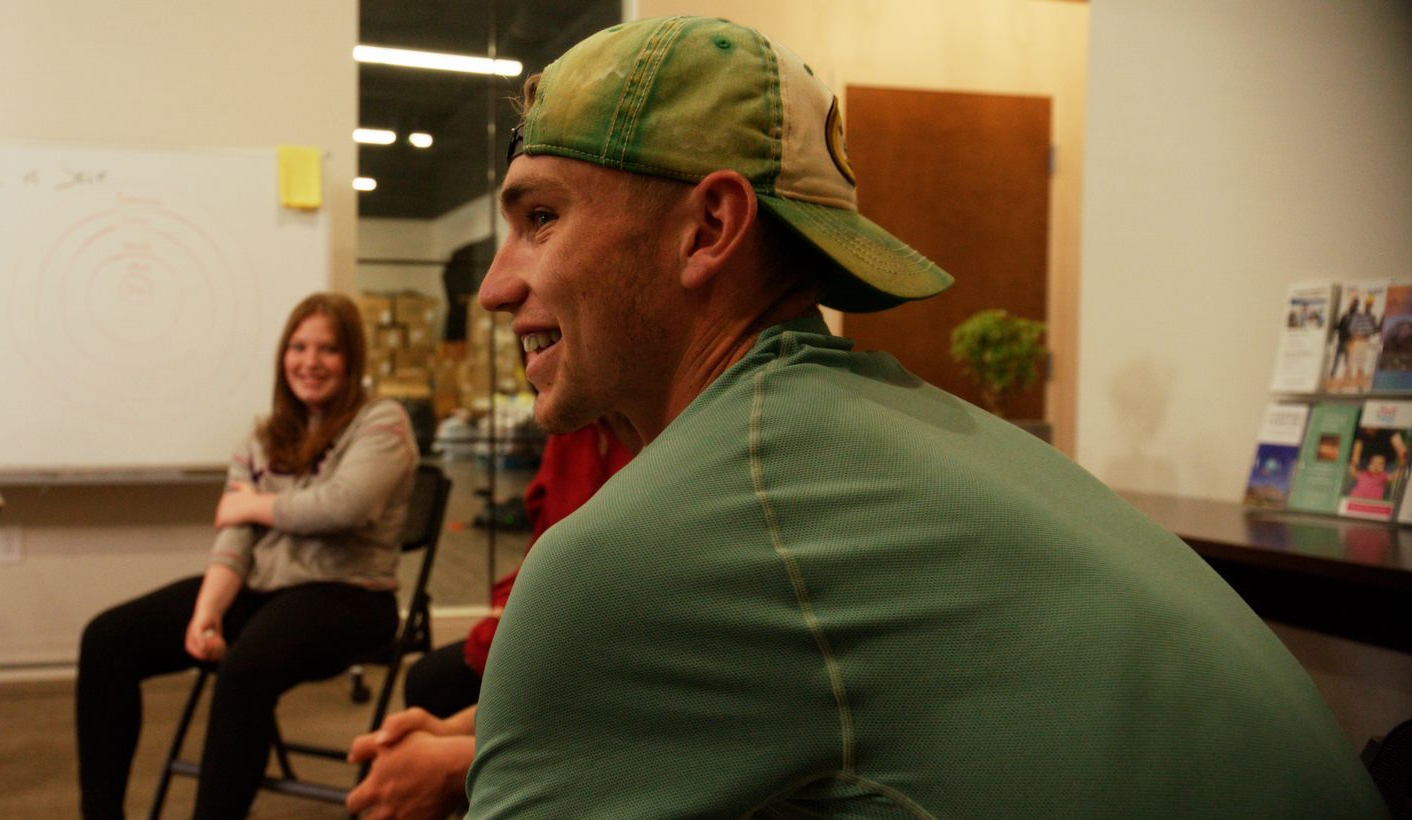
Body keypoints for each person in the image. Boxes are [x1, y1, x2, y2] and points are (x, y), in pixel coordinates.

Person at [418, 16, 1386, 817]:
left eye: (540, 217)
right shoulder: (910, 427)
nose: (498, 285)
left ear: (708, 229)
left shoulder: (635, 546)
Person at [76, 292, 418, 820]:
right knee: (106, 639)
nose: (310, 362)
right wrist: (208, 613)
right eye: (299, 347)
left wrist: (256, 503)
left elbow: (343, 507)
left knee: (245, 669)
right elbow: (234, 538)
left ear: (351, 360)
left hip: (351, 595)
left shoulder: (382, 421)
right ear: (283, 356)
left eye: (328, 349)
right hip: (263, 591)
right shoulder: (262, 436)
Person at [344, 419, 631, 818]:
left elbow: (641, 691)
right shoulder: (578, 432)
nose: (531, 361)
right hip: (581, 642)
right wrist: (458, 732)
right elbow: (550, 558)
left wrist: (459, 757)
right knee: (432, 682)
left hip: (601, 665)